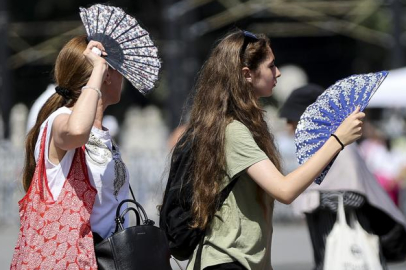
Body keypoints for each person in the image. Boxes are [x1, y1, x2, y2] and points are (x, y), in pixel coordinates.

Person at [173, 29, 365, 270]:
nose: (278, 72)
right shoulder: (233, 131)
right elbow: (284, 190)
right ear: (247, 75)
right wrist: (337, 140)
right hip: (227, 261)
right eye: (271, 66)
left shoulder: (239, 126)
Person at [11, 36, 129, 269]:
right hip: (67, 260)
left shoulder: (104, 135)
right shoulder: (60, 121)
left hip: (102, 258)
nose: (123, 77)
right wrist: (98, 69)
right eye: (119, 70)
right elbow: (77, 131)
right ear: (105, 74)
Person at [279, 84, 406, 270]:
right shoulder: (319, 148)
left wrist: (311, 196)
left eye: (292, 120)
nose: (289, 127)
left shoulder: (340, 145)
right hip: (327, 246)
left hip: (351, 246)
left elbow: (354, 196)